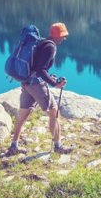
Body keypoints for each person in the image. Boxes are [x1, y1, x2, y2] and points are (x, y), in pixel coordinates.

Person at [5, 22, 73, 156]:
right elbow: (41, 70)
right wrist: (55, 84)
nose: (64, 38)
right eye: (63, 36)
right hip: (36, 84)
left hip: (26, 82)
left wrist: (50, 77)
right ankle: (58, 146)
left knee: (23, 114)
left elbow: (37, 66)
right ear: (58, 36)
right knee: (54, 112)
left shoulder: (42, 42)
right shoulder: (50, 47)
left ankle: (14, 146)